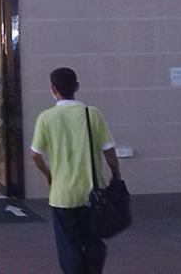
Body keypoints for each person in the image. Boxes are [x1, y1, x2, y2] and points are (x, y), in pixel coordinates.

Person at [30, 67, 121, 274]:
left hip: (62, 194)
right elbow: (109, 151)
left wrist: (48, 174)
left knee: (68, 245)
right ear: (77, 87)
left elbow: (35, 154)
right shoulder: (93, 114)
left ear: (53, 89)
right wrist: (116, 174)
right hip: (93, 192)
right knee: (94, 241)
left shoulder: (47, 117)